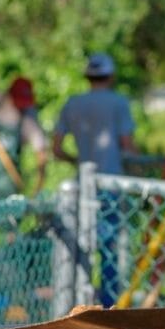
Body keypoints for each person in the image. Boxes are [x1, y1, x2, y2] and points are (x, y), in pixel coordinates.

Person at [52, 52, 138, 307]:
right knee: (110, 250)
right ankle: (110, 308)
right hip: (111, 186)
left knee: (80, 245)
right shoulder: (118, 103)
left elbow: (56, 147)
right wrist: (143, 172)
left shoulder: (73, 103)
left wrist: (78, 162)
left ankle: (78, 303)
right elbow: (127, 145)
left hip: (81, 185)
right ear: (110, 76)